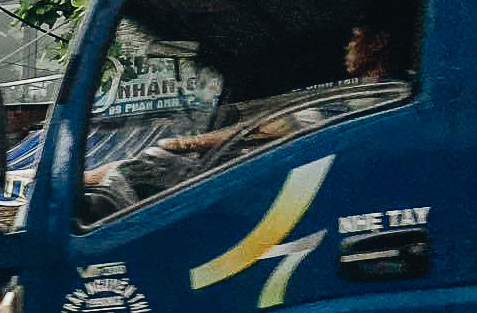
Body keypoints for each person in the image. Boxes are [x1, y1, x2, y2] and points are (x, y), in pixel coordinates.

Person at [83, 20, 406, 219]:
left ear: (377, 43)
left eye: (355, 36)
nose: (348, 46)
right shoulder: (376, 93)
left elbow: (281, 126)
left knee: (153, 163)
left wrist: (188, 142)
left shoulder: (386, 95)